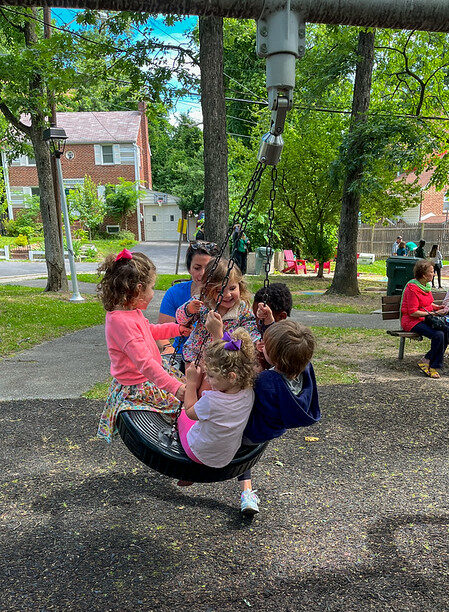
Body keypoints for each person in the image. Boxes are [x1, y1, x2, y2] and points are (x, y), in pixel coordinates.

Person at [96, 249, 189, 443]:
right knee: (185, 404)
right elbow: (145, 363)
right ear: (138, 289)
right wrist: (175, 389)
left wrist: (177, 329)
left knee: (189, 387)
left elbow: (150, 331)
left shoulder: (130, 312)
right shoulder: (121, 323)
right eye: (152, 287)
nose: (153, 293)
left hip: (149, 375)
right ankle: (188, 444)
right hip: (138, 385)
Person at [177, 329, 255, 491]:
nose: (206, 378)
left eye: (211, 376)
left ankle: (186, 471)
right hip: (227, 455)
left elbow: (190, 412)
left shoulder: (211, 401)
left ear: (232, 376)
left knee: (182, 416)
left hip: (199, 453)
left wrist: (191, 382)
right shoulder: (249, 392)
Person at [176, 258, 260, 365]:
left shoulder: (242, 309)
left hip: (224, 359)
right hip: (196, 354)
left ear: (240, 285)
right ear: (209, 290)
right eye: (219, 291)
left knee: (213, 380)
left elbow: (250, 329)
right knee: (193, 377)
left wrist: (256, 340)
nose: (227, 295)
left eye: (232, 288)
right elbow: (180, 320)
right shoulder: (203, 302)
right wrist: (189, 309)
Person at [157, 241, 219, 363]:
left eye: (208, 268)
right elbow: (161, 333)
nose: (202, 273)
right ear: (190, 269)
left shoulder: (225, 296)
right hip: (181, 355)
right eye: (197, 268)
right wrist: (167, 348)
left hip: (213, 356)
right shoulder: (175, 293)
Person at [401, 259, 448, 379]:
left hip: (425, 318)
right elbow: (412, 312)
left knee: (446, 332)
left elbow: (427, 304)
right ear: (423, 275)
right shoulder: (412, 288)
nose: (434, 274)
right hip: (412, 321)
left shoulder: (425, 286)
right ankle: (433, 365)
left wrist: (437, 307)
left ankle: (427, 360)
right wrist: (434, 313)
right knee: (438, 335)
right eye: (431, 272)